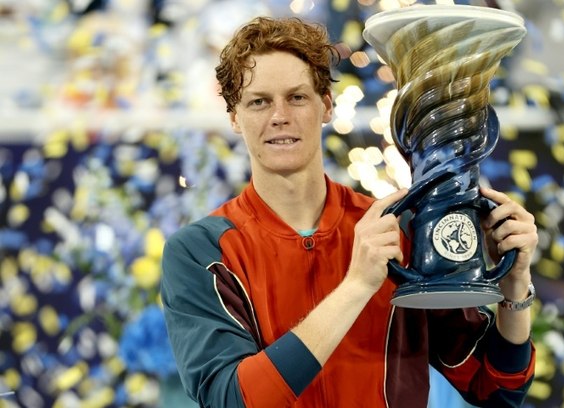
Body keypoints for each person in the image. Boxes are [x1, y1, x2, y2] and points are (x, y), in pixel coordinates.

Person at [161, 16, 538, 408]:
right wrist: (357, 285)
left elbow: (495, 390)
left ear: (326, 105)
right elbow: (230, 401)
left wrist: (515, 286)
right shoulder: (202, 253)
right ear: (235, 117)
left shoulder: (398, 230)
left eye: (297, 97)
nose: (279, 116)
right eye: (259, 101)